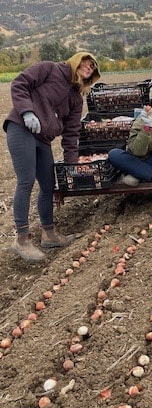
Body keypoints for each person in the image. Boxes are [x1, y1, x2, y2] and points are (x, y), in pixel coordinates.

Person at [4, 52, 101, 262]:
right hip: (22, 128)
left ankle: (49, 233)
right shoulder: (49, 69)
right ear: (78, 60)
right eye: (87, 62)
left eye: (93, 67)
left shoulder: (76, 98)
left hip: (43, 139)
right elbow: (20, 84)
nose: (89, 67)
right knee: (26, 180)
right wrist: (26, 111)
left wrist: (71, 164)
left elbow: (71, 133)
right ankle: (21, 238)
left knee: (49, 185)